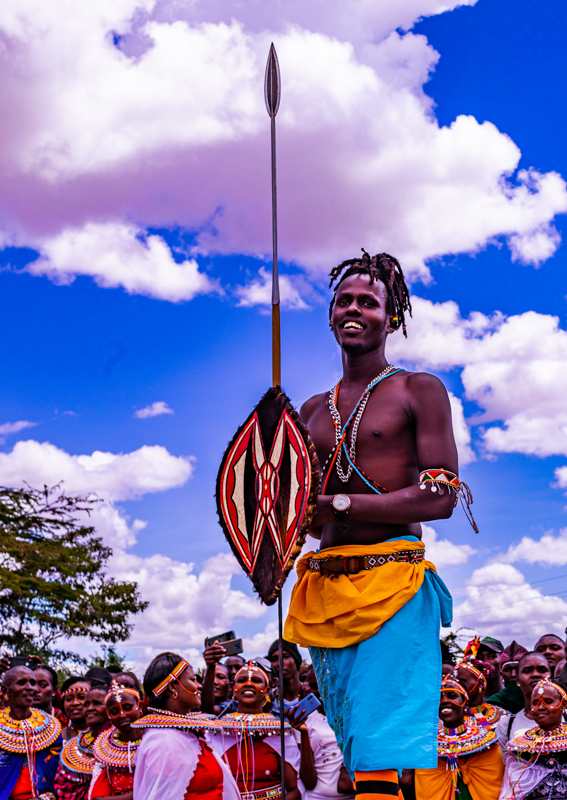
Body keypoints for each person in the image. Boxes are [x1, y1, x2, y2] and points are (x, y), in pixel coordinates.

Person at [285, 252, 465, 796]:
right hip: (324, 587)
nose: (354, 309)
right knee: (356, 743)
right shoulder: (311, 410)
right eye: (344, 301)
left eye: (369, 301)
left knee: (380, 742)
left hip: (395, 582)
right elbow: (298, 514)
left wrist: (341, 505)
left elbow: (440, 498)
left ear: (391, 319)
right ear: (331, 316)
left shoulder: (418, 389)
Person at [133, 653, 239, 800]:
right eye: (192, 679)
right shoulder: (165, 743)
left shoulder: (184, 733)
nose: (199, 685)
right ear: (172, 687)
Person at [206, 661, 309, 800]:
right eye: (242, 680)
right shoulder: (217, 732)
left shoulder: (280, 732)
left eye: (256, 680)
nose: (248, 684)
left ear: (266, 690)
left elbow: (294, 790)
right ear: (234, 689)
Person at [0, 665, 63, 800]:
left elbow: (59, 775)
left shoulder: (51, 727)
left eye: (32, 683)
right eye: (21, 683)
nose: (30, 687)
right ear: (6, 690)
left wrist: (47, 797)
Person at [413, 675, 502, 800]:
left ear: (466, 704)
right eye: (439, 698)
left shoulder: (488, 743)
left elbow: (494, 785)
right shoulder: (426, 747)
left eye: (452, 696)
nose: (444, 701)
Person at [496, 653, 567, 749]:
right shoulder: (506, 725)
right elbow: (505, 762)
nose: (535, 675)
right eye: (527, 671)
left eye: (542, 670)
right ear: (518, 681)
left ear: (550, 677)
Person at [55, 683, 111, 800]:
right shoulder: (73, 746)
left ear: (111, 708)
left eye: (97, 703)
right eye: (87, 704)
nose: (90, 708)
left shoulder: (124, 743)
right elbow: (61, 789)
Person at [89, 682, 145, 800]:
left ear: (139, 707)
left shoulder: (155, 740)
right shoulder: (104, 750)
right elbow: (98, 798)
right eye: (114, 712)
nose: (122, 715)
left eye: (128, 708)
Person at [61, 677, 93, 742]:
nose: (75, 703)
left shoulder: (106, 736)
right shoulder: (57, 737)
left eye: (81, 697)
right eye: (69, 699)